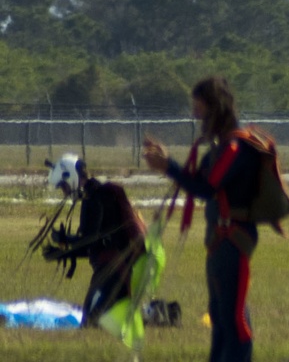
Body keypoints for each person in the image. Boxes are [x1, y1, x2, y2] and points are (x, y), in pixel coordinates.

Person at [142, 76, 260, 362]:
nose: (195, 115)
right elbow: (198, 180)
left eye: (199, 108)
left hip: (233, 241)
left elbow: (207, 189)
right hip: (219, 241)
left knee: (233, 318)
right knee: (219, 314)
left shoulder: (235, 149)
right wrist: (167, 162)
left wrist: (168, 167)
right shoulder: (220, 149)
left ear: (214, 108)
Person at [42, 154, 146, 327]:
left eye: (63, 186)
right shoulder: (96, 196)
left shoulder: (95, 199)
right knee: (101, 322)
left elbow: (90, 240)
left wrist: (65, 242)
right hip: (113, 273)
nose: (65, 192)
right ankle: (148, 315)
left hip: (113, 274)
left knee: (91, 323)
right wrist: (62, 252)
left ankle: (159, 315)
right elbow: (94, 244)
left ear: (71, 177)